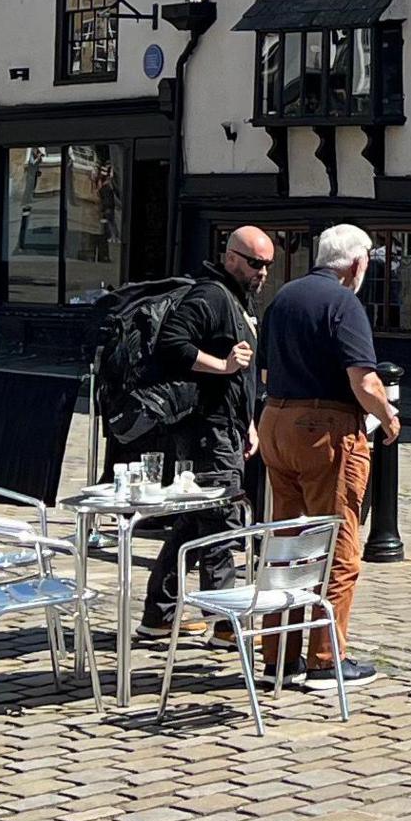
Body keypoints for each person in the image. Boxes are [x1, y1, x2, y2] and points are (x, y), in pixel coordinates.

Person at [253, 224, 396, 687]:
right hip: (324, 430)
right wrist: (389, 418)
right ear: (356, 263)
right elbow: (364, 380)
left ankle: (277, 653)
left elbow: (266, 368)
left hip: (276, 420)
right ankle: (324, 658)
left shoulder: (284, 297)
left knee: (287, 543)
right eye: (367, 262)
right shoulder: (344, 303)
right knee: (336, 544)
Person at [132, 226, 271, 637]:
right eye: (254, 263)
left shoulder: (238, 301)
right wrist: (222, 365)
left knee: (194, 522)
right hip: (208, 432)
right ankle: (225, 623)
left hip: (226, 426)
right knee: (221, 523)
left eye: (266, 265)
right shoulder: (211, 295)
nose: (261, 272)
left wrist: (247, 422)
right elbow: (172, 345)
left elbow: (239, 378)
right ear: (230, 258)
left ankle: (159, 614)